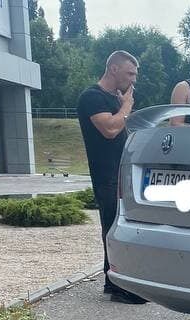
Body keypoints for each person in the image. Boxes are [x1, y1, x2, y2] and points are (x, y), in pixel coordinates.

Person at [76, 50, 147, 304]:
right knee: (113, 227)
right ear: (114, 69)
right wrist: (127, 106)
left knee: (120, 226)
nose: (133, 80)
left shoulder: (115, 99)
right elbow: (109, 129)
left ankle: (115, 280)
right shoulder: (92, 97)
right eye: (130, 73)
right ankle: (116, 285)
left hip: (122, 173)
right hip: (106, 174)